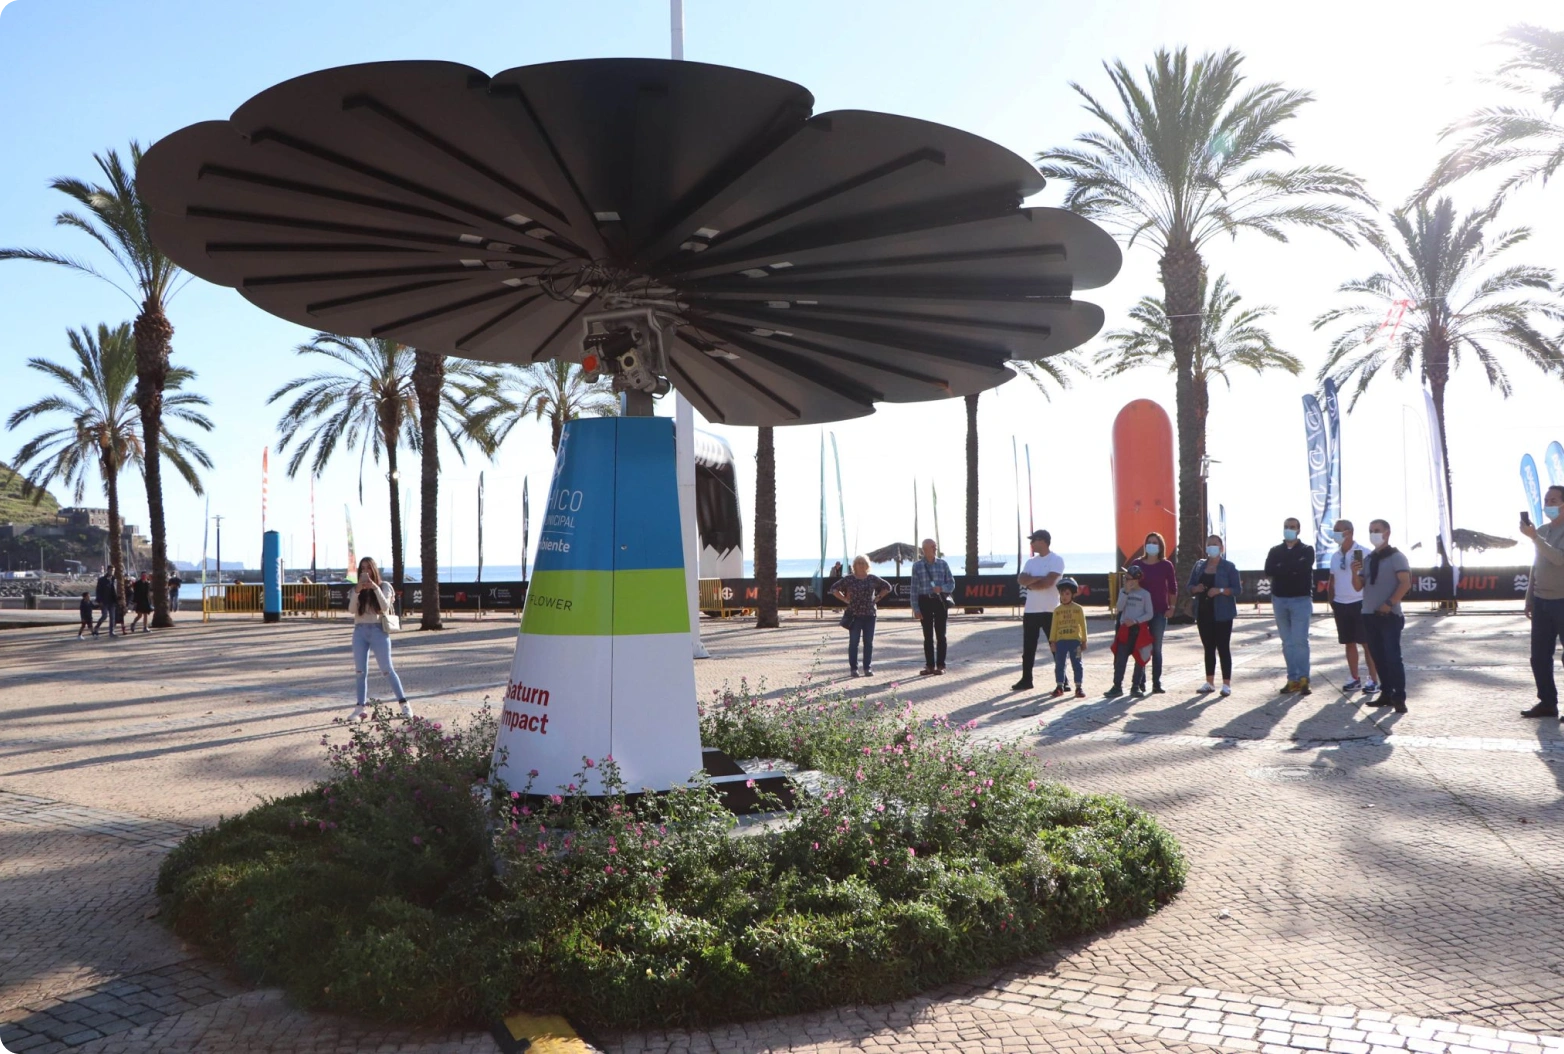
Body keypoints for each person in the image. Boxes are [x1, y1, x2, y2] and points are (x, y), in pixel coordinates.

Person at [1354, 519, 1410, 713]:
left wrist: (1389, 603)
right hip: (1369, 614)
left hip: (1389, 616)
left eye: (1377, 530)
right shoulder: (1369, 559)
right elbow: (1358, 586)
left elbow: (1405, 583)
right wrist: (1354, 572)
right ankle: (1386, 693)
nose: (1373, 534)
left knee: (1393, 657)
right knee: (1378, 657)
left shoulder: (1397, 557)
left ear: (1387, 532)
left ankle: (1399, 697)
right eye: (1371, 531)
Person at [1520, 485, 1564, 721]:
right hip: (1542, 601)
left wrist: (1534, 537)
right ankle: (1547, 702)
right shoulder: (1544, 530)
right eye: (1546, 500)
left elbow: (1558, 559)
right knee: (1539, 656)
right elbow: (1536, 565)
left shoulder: (1542, 533)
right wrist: (1529, 598)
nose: (1548, 504)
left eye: (1554, 500)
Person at [350, 556, 411, 720]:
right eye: (362, 569)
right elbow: (351, 610)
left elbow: (384, 607)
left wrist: (375, 588)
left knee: (387, 669)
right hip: (360, 631)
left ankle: (404, 704)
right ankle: (360, 708)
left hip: (378, 630)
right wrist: (357, 591)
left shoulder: (384, 586)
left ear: (374, 569)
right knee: (360, 671)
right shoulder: (356, 590)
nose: (365, 572)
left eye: (368, 568)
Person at [1325, 519, 1379, 693]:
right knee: (1348, 642)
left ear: (1349, 532)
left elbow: (1370, 581)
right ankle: (1355, 678)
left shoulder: (1362, 553)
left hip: (1360, 603)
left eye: (1338, 530)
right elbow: (1332, 580)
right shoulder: (1335, 555)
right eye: (1334, 530)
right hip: (1341, 604)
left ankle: (1373, 680)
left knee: (1367, 643)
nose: (1335, 534)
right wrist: (1332, 601)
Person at [1264, 516, 1316, 695]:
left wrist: (1284, 567)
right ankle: (1292, 679)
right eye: (1286, 526)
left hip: (1300, 600)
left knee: (1300, 641)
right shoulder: (1275, 550)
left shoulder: (1307, 550)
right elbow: (1269, 570)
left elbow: (1303, 568)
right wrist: (1291, 567)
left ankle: (1304, 679)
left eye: (1292, 527)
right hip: (1280, 600)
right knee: (1287, 642)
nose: (1289, 529)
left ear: (1299, 530)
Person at [1188, 534, 1241, 696]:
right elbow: (1189, 586)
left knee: (1223, 647)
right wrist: (1195, 588)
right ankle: (1209, 682)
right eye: (1209, 544)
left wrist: (1220, 591)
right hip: (1203, 612)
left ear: (1222, 548)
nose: (1212, 547)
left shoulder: (1229, 567)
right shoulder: (1199, 566)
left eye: (1215, 544)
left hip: (1223, 613)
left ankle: (1226, 684)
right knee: (1208, 648)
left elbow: (1237, 590)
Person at [1013, 529, 1065, 691]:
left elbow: (1048, 583)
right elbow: (1021, 579)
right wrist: (1036, 579)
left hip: (1050, 610)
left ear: (1042, 541)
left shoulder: (1056, 559)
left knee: (1056, 647)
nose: (1031, 543)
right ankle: (1026, 679)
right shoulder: (1030, 562)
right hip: (1031, 611)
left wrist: (1032, 582)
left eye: (1033, 540)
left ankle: (1063, 680)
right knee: (1028, 648)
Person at [1128, 531, 1178, 693]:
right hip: (1139, 613)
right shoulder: (1137, 563)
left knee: (1156, 648)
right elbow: (1129, 585)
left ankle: (1156, 683)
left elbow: (1172, 587)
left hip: (1159, 612)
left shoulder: (1166, 565)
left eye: (1155, 542)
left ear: (1160, 546)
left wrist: (1172, 607)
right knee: (1141, 646)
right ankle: (1139, 682)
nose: (1152, 545)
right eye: (1149, 541)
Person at [831, 556, 891, 677]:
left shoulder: (872, 578)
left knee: (868, 642)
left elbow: (887, 587)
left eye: (863, 563)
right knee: (854, 642)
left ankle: (867, 668)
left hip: (870, 614)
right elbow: (833, 589)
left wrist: (877, 598)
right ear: (854, 565)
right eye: (858, 563)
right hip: (854, 615)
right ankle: (854, 668)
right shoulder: (849, 579)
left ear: (867, 565)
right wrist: (844, 599)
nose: (861, 565)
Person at [1107, 565, 1155, 697]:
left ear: (1136, 579)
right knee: (1120, 658)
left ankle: (1136, 686)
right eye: (1125, 578)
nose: (1126, 581)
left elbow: (1149, 613)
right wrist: (1126, 592)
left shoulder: (1145, 594)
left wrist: (1136, 621)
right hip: (1125, 630)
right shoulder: (1123, 591)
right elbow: (1119, 607)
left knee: (1140, 659)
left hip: (1138, 630)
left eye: (1128, 579)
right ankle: (1117, 686)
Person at [909, 538, 954, 675]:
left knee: (941, 635)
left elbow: (952, 584)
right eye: (932, 546)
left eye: (935, 546)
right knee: (927, 636)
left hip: (939, 601)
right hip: (925, 602)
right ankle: (929, 666)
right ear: (924, 549)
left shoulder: (943, 564)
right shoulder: (917, 566)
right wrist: (915, 608)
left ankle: (941, 665)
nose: (935, 548)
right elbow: (914, 589)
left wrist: (941, 588)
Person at [1047, 577, 1088, 699]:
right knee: (1059, 664)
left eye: (1067, 593)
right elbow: (1054, 627)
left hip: (1075, 641)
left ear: (1072, 595)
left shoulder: (1078, 609)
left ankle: (1079, 687)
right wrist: (1052, 642)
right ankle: (1060, 686)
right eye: (1062, 593)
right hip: (1061, 642)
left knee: (1077, 664)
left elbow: (1083, 625)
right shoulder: (1057, 610)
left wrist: (1084, 640)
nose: (1064, 596)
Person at [93, 567, 119, 638]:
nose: (112, 571)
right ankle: (96, 627)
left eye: (113, 570)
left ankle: (111, 632)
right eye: (111, 570)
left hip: (112, 601)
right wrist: (99, 601)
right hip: (104, 601)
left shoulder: (114, 579)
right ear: (107, 570)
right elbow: (98, 591)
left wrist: (118, 599)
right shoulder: (102, 580)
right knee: (104, 616)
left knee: (112, 617)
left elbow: (116, 590)